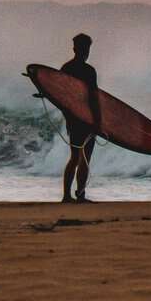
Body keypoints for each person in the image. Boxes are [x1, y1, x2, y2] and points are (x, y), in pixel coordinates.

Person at [59, 33, 100, 203]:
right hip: (87, 119)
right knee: (84, 158)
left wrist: (68, 117)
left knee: (75, 157)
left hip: (73, 119)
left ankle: (67, 196)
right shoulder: (89, 71)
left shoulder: (66, 68)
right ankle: (80, 195)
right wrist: (98, 122)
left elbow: (60, 96)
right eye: (86, 48)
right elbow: (94, 98)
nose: (87, 51)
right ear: (81, 49)